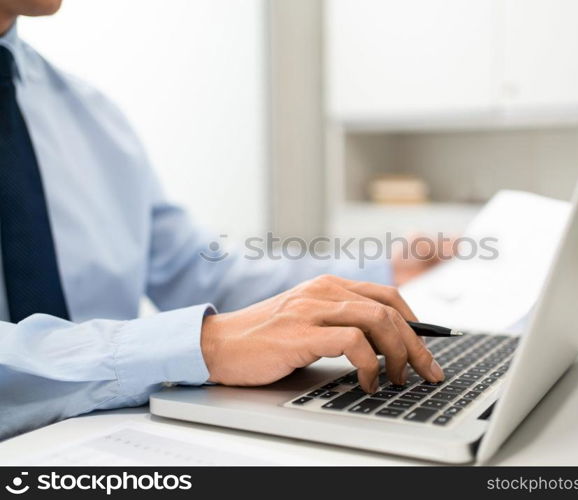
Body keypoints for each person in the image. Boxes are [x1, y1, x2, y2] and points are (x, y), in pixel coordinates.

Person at [0, 0, 446, 440]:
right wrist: (204, 344)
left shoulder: (91, 117)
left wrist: (383, 270)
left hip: (105, 447)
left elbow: (198, 272)